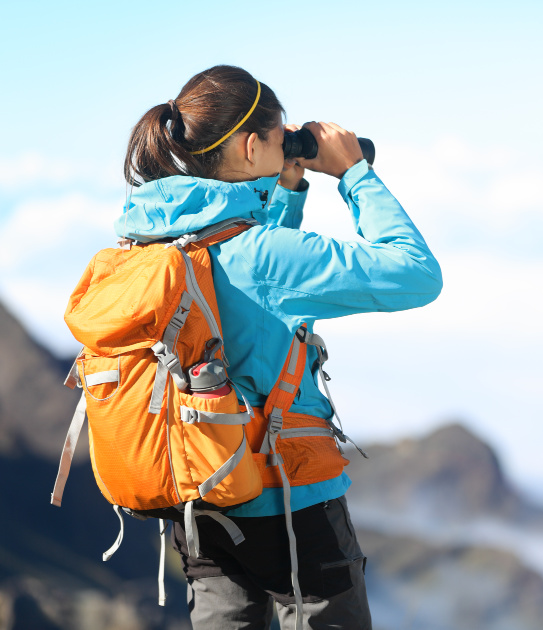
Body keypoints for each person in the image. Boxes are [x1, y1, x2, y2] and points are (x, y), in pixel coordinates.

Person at [118, 65, 443, 630]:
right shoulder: (261, 257)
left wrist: (288, 190)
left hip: (201, 495)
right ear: (249, 146)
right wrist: (354, 175)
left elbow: (252, 296)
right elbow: (415, 274)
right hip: (292, 505)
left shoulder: (150, 241)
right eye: (278, 136)